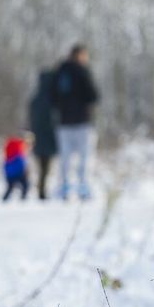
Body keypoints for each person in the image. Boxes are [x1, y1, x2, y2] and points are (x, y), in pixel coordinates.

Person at [51, 44, 100, 200]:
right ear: (79, 55)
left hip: (63, 123)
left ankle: (65, 187)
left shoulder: (59, 72)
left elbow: (51, 97)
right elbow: (94, 96)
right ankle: (83, 188)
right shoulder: (82, 72)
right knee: (85, 157)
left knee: (65, 157)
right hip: (82, 122)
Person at [27, 69, 58, 199]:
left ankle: (41, 189)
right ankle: (42, 190)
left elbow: (31, 119)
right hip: (48, 136)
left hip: (37, 136)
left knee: (42, 166)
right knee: (46, 166)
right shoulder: (52, 99)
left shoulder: (35, 99)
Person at [2, 134, 30, 201]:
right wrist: (25, 172)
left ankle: (5, 199)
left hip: (10, 176)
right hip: (19, 175)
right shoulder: (18, 156)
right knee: (25, 185)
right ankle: (23, 197)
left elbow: (5, 168)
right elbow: (22, 166)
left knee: (10, 187)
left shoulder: (7, 158)